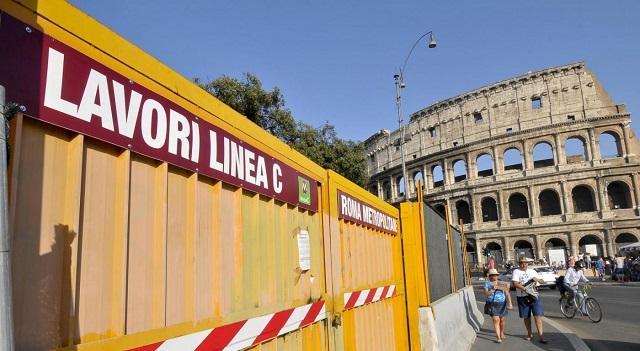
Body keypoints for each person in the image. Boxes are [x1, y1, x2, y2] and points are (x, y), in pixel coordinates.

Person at [512, 256, 548, 343]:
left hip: (534, 296)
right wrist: (525, 289)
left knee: (538, 316)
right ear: (519, 264)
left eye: (525, 262)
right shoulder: (516, 271)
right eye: (521, 263)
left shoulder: (532, 271)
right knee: (526, 317)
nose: (523, 264)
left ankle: (541, 336)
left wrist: (538, 279)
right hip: (522, 296)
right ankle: (529, 334)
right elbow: (515, 284)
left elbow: (542, 281)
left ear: (528, 263)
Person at [484, 269, 513, 343]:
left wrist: (510, 303)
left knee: (502, 320)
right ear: (489, 276)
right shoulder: (487, 283)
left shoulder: (501, 283)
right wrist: (492, 290)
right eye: (492, 275)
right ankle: (498, 337)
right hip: (492, 303)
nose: (494, 277)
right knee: (496, 319)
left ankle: (501, 332)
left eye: (495, 275)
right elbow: (486, 294)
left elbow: (507, 293)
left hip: (502, 303)